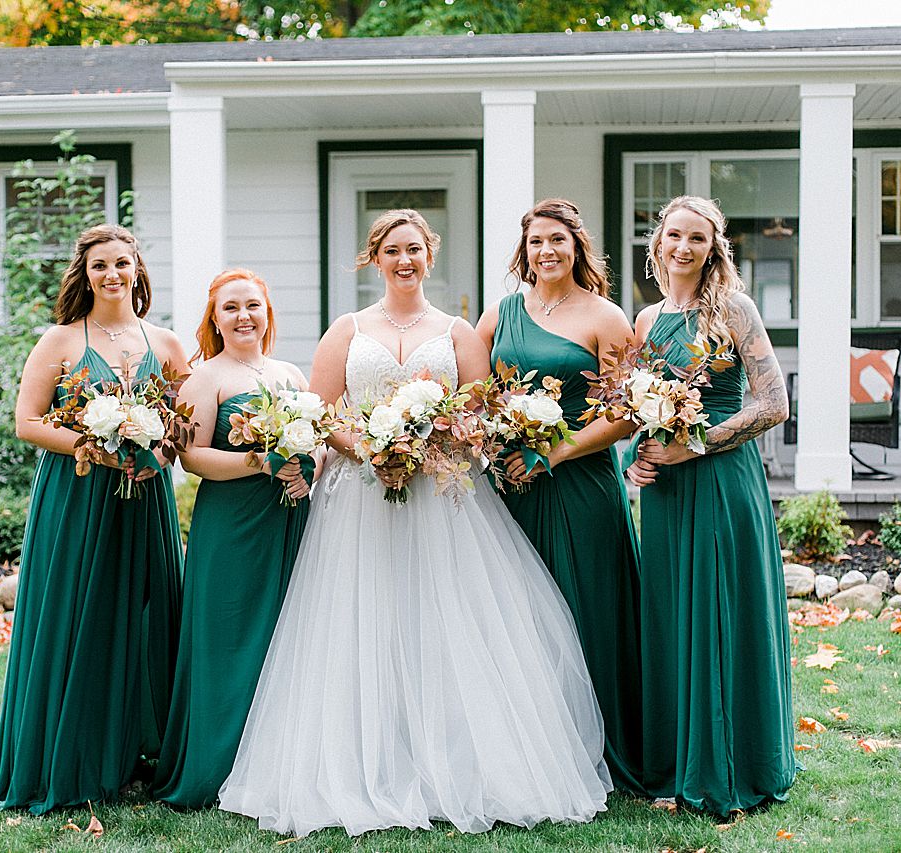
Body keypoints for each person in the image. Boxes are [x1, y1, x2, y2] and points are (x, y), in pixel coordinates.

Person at [218, 209, 612, 837]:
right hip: (361, 500)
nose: (404, 261)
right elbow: (320, 412)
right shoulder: (346, 330)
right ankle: (366, 763)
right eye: (392, 251)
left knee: (446, 619)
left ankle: (456, 765)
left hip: (444, 496)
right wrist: (371, 448)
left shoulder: (458, 332)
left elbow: (479, 414)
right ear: (375, 259)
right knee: (363, 623)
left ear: (430, 256)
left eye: (414, 250)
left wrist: (431, 444)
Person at [0, 224, 187, 814]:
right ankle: (66, 758)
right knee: (75, 617)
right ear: (85, 274)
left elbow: (184, 425)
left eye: (122, 263)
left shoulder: (167, 344)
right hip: (77, 498)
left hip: (144, 500)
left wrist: (158, 452)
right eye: (100, 265)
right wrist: (95, 447)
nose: (112, 274)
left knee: (144, 616)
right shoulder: (60, 340)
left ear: (138, 269)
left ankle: (138, 755)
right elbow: (27, 422)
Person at [625, 195, 796, 813]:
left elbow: (774, 404)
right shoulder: (645, 321)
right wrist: (640, 457)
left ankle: (730, 762)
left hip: (723, 481)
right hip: (667, 494)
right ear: (658, 242)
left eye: (697, 238)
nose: (684, 247)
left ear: (713, 248)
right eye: (675, 235)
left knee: (722, 610)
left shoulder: (734, 310)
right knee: (672, 614)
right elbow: (636, 408)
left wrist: (694, 445)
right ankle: (676, 762)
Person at [475, 198, 644, 793]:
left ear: (577, 247)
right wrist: (494, 444)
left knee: (585, 607)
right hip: (511, 486)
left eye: (557, 240)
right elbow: (473, 395)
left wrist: (556, 450)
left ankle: (601, 746)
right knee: (515, 613)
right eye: (536, 241)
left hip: (580, 486)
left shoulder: (606, 317)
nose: (546, 251)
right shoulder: (500, 315)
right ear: (524, 251)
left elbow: (625, 414)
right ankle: (526, 751)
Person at [153, 269, 313, 808]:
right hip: (232, 524)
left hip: (289, 519)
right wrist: (260, 462)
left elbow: (315, 441)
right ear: (215, 319)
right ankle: (216, 766)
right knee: (228, 637)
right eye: (231, 308)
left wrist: (308, 469)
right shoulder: (205, 378)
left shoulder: (290, 374)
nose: (244, 316)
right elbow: (192, 457)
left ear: (267, 313)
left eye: (253, 306)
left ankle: (278, 765)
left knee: (285, 637)